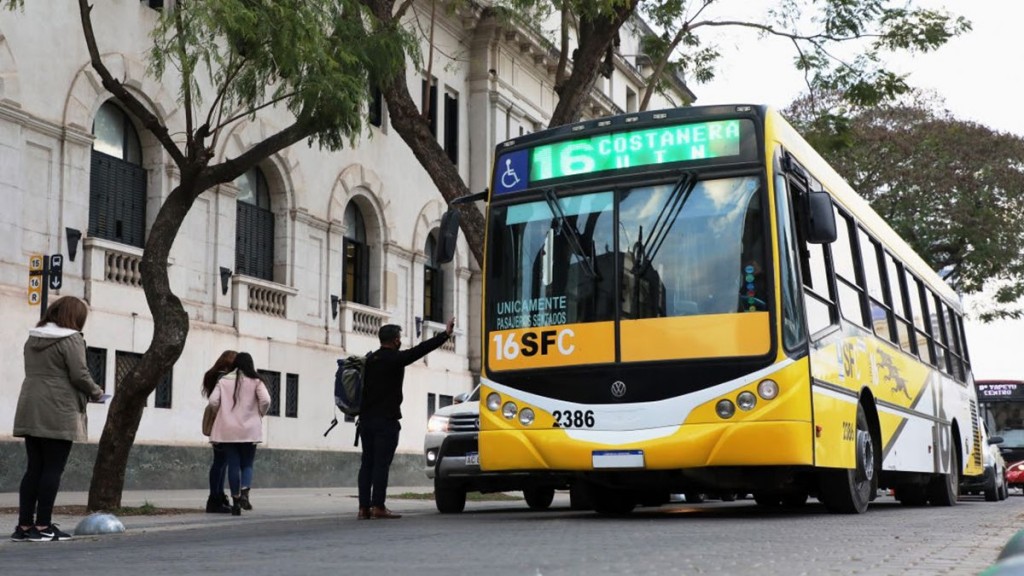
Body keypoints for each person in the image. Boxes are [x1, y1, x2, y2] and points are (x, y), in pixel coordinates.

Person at [11, 296, 104, 542]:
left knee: (34, 469)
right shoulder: (71, 339)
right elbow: (79, 374)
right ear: (75, 317)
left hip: (31, 404)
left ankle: (23, 526)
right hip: (58, 408)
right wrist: (97, 392)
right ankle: (43, 526)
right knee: (53, 469)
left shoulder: (33, 337)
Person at [357, 317, 455, 520]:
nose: (400, 341)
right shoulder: (395, 359)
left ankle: (363, 508)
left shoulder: (370, 361)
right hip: (386, 422)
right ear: (394, 341)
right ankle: (379, 506)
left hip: (365, 421)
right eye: (399, 338)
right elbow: (421, 350)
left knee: (367, 463)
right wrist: (444, 335)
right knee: (381, 464)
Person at [208, 352, 270, 516]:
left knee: (233, 465)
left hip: (227, 430)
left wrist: (222, 413)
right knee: (247, 464)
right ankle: (244, 493)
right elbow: (266, 401)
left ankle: (235, 502)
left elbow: (213, 401)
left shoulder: (224, 380)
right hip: (249, 430)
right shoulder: (257, 381)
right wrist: (259, 414)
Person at [201, 350, 237, 513]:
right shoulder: (224, 378)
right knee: (221, 462)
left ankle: (218, 496)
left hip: (218, 422)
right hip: (222, 422)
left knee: (221, 461)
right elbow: (217, 401)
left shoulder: (212, 375)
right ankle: (215, 498)